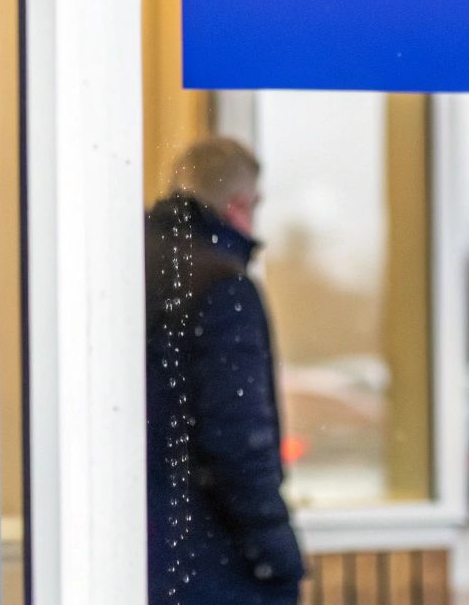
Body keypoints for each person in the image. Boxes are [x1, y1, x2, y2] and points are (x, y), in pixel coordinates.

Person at [146, 136, 306, 604]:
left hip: (137, 550)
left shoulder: (124, 264)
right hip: (208, 558)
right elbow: (237, 440)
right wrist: (278, 557)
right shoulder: (221, 286)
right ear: (240, 205)